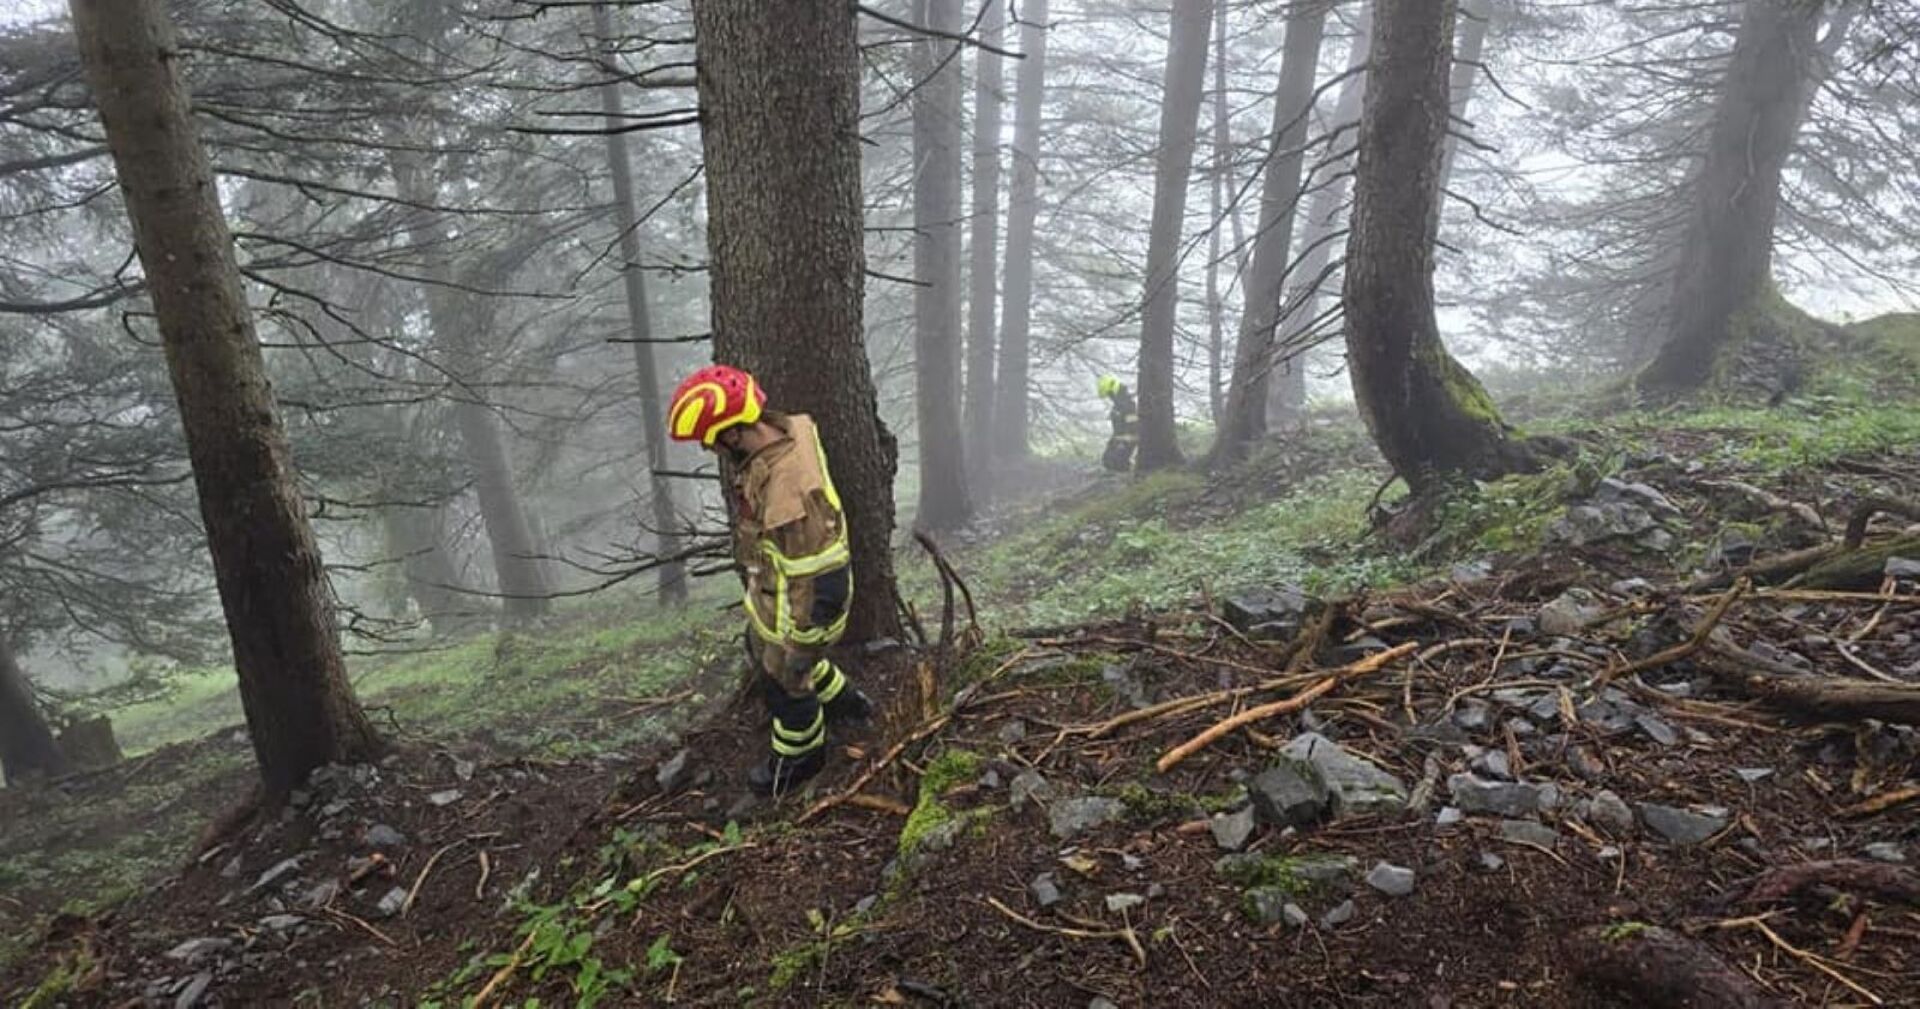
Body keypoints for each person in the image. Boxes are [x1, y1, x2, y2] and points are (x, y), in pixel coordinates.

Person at [668, 365, 873, 796]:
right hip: (777, 599)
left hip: (803, 612)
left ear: (735, 432)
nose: (713, 451)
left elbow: (825, 579)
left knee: (783, 681)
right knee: (762, 650)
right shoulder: (791, 429)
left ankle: (800, 756)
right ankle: (846, 704)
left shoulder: (792, 499)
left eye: (715, 442)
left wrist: (802, 642)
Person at [1097, 374, 1138, 472]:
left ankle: (1130, 478)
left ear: (1113, 391)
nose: (1109, 398)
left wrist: (1123, 443)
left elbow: (1133, 428)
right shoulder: (1119, 405)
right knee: (1107, 460)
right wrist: (1113, 441)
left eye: (1109, 395)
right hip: (1120, 440)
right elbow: (1118, 429)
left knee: (1117, 462)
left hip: (1128, 442)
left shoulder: (1128, 405)